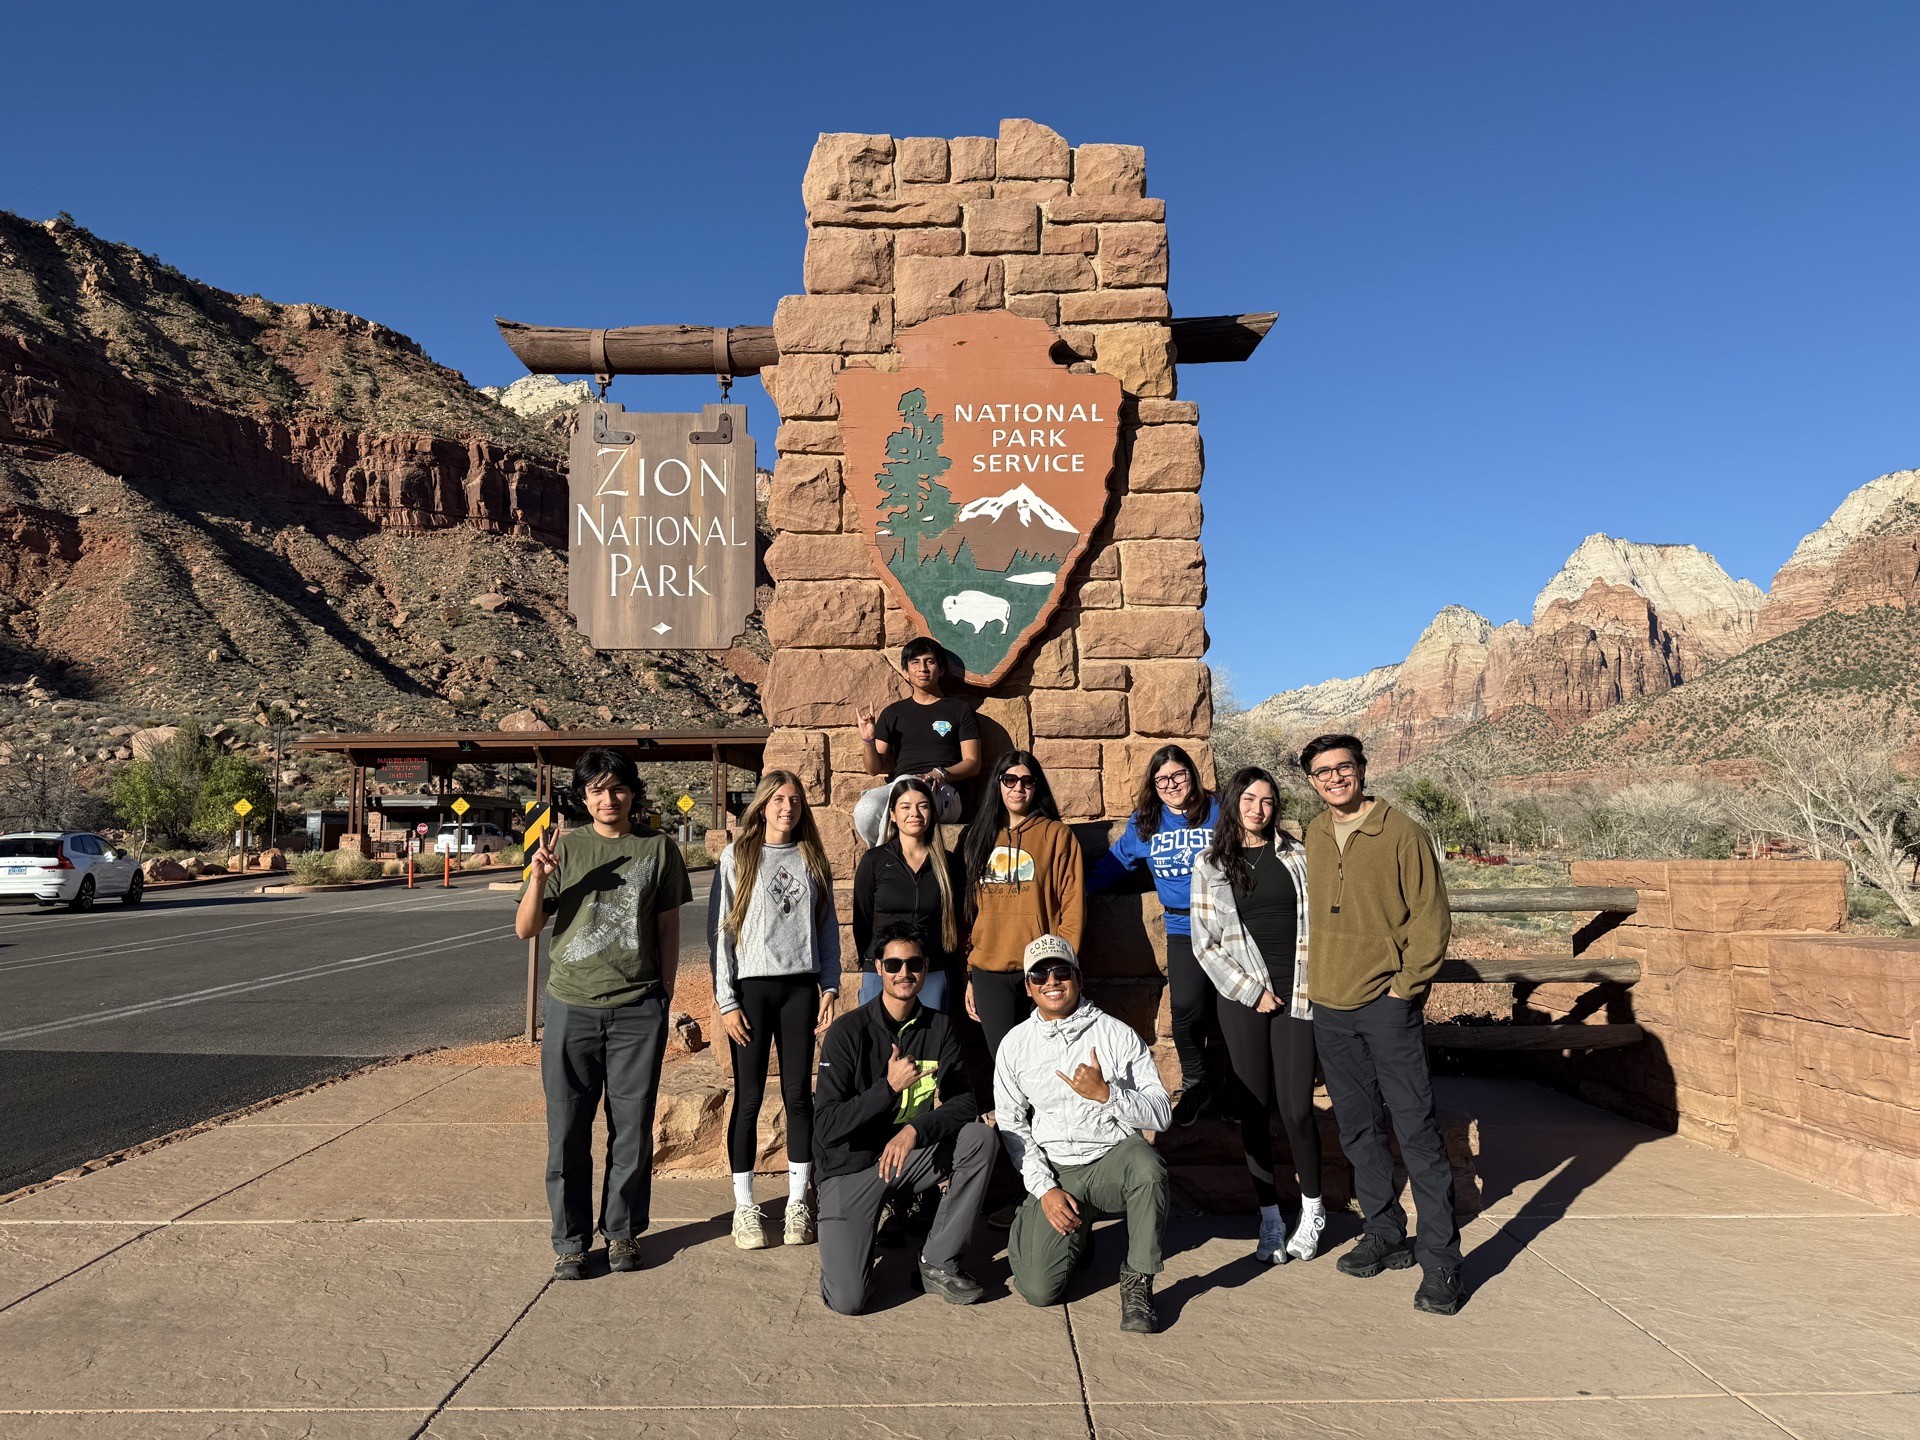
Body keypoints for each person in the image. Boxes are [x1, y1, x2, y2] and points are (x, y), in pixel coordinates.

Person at [1300, 734, 1464, 1316]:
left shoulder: (1402, 832)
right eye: (1322, 772)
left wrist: (1404, 989)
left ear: (1362, 770)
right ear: (1312, 781)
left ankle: (1441, 1260)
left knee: (1416, 1129)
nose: (1334, 778)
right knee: (1358, 1129)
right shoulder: (1314, 833)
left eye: (1343, 767)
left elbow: (1431, 917)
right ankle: (1385, 1229)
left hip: (1387, 1007)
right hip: (1330, 1006)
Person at [515, 747, 692, 1281]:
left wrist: (664, 994)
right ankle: (571, 1243)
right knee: (567, 1130)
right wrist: (539, 878)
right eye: (596, 790)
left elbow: (667, 927)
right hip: (572, 1007)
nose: (608, 798)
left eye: (617, 788)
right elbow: (526, 929)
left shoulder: (657, 848)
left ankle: (622, 1233)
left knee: (632, 1129)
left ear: (633, 792)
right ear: (583, 796)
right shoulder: (565, 849)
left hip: (638, 1009)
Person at [813, 922, 995, 1314]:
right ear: (879, 968)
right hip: (851, 1168)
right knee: (849, 1300)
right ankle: (850, 1240)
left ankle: (938, 1260)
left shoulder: (939, 1027)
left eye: (913, 963)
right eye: (894, 964)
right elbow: (826, 1126)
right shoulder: (847, 1032)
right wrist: (888, 1088)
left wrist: (914, 1130)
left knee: (979, 1140)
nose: (904, 972)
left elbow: (965, 1103)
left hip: (907, 1157)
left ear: (925, 968)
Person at [996, 936, 1173, 1334]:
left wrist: (1107, 1095)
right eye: (1039, 974)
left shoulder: (1116, 1034)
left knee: (1148, 1170)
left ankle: (1138, 1279)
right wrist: (1044, 1189)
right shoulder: (1015, 1045)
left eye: (1061, 971)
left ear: (1079, 979)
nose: (1051, 981)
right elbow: (1011, 1124)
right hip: (1058, 1171)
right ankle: (1050, 1227)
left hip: (1111, 1159)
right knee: (1038, 1291)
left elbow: (1161, 1113)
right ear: (1028, 986)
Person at [1190, 766, 1326, 1265]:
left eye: (1267, 801)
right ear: (1233, 802)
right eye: (1249, 799)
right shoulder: (1210, 863)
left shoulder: (1297, 856)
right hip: (1243, 998)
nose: (1258, 809)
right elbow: (1204, 944)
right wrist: (1252, 992)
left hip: (1299, 993)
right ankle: (1269, 1217)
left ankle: (1312, 1210)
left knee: (1296, 1109)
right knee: (1253, 1108)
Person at [711, 770, 841, 1252]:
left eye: (796, 800)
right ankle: (745, 1207)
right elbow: (721, 932)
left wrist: (830, 985)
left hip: (800, 989)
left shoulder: (812, 858)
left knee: (798, 1096)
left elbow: (826, 928)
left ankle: (797, 1204)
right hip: (752, 991)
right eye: (780, 799)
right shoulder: (738, 856)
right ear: (763, 805)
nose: (788, 807)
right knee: (748, 1098)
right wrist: (727, 1001)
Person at [1090, 744, 1220, 1127]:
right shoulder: (1146, 821)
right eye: (1162, 779)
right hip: (1181, 928)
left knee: (1232, 1012)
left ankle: (1234, 1090)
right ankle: (1196, 1083)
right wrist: (1078, 890)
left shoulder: (1218, 810)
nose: (1171, 784)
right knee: (1184, 1008)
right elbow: (1117, 862)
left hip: (1226, 926)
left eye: (1178, 775)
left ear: (1192, 774)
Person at [962, 751, 1085, 1061]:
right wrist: (971, 974)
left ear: (1036, 786)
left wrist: (1061, 967)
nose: (1018, 788)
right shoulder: (978, 836)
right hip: (989, 971)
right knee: (1006, 1064)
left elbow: (1072, 907)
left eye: (1027, 781)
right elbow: (970, 912)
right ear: (998, 784)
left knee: (1050, 1062)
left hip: (1043, 970)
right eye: (1010, 780)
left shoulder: (1058, 836)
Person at [852, 637, 982, 847]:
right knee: (866, 809)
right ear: (906, 672)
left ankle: (886, 860)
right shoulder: (893, 713)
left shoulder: (959, 710)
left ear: (941, 670)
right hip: (901, 786)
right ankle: (884, 856)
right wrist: (868, 740)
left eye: (929, 661)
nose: (922, 668)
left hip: (944, 790)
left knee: (906, 786)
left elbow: (973, 763)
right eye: (915, 662)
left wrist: (939, 773)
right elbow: (873, 769)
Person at [852, 777, 966, 1014]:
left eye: (923, 806)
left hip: (931, 970)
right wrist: (875, 962)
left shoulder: (949, 864)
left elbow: (958, 919)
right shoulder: (874, 861)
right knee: (879, 1036)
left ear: (932, 812)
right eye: (905, 806)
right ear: (892, 814)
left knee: (930, 1036)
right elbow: (861, 921)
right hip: (884, 971)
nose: (915, 813)